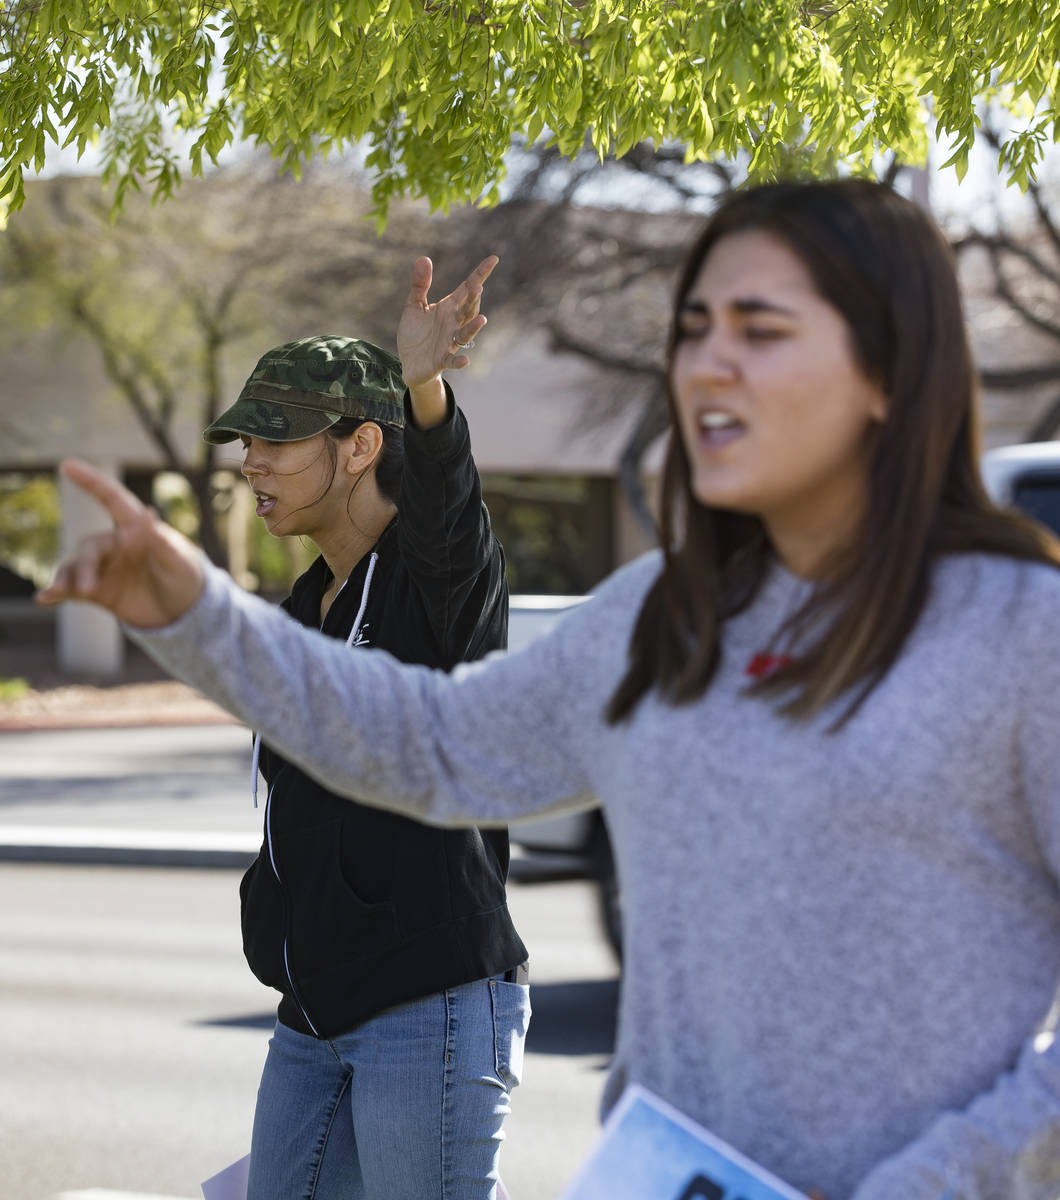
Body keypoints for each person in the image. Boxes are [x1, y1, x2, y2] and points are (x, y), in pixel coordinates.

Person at [40, 179, 1060, 1200]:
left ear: (889, 367)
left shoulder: (1025, 638)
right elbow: (430, 744)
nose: (708, 361)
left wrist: (934, 1183)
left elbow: (443, 527)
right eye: (695, 326)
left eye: (760, 328)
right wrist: (192, 610)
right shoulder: (663, 617)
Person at [143, 256, 533, 1200]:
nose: (254, 462)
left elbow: (449, 516)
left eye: (278, 439)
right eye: (248, 441)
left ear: (361, 446)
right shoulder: (305, 605)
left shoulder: (437, 587)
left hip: (427, 1006)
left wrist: (424, 388)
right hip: (311, 1015)